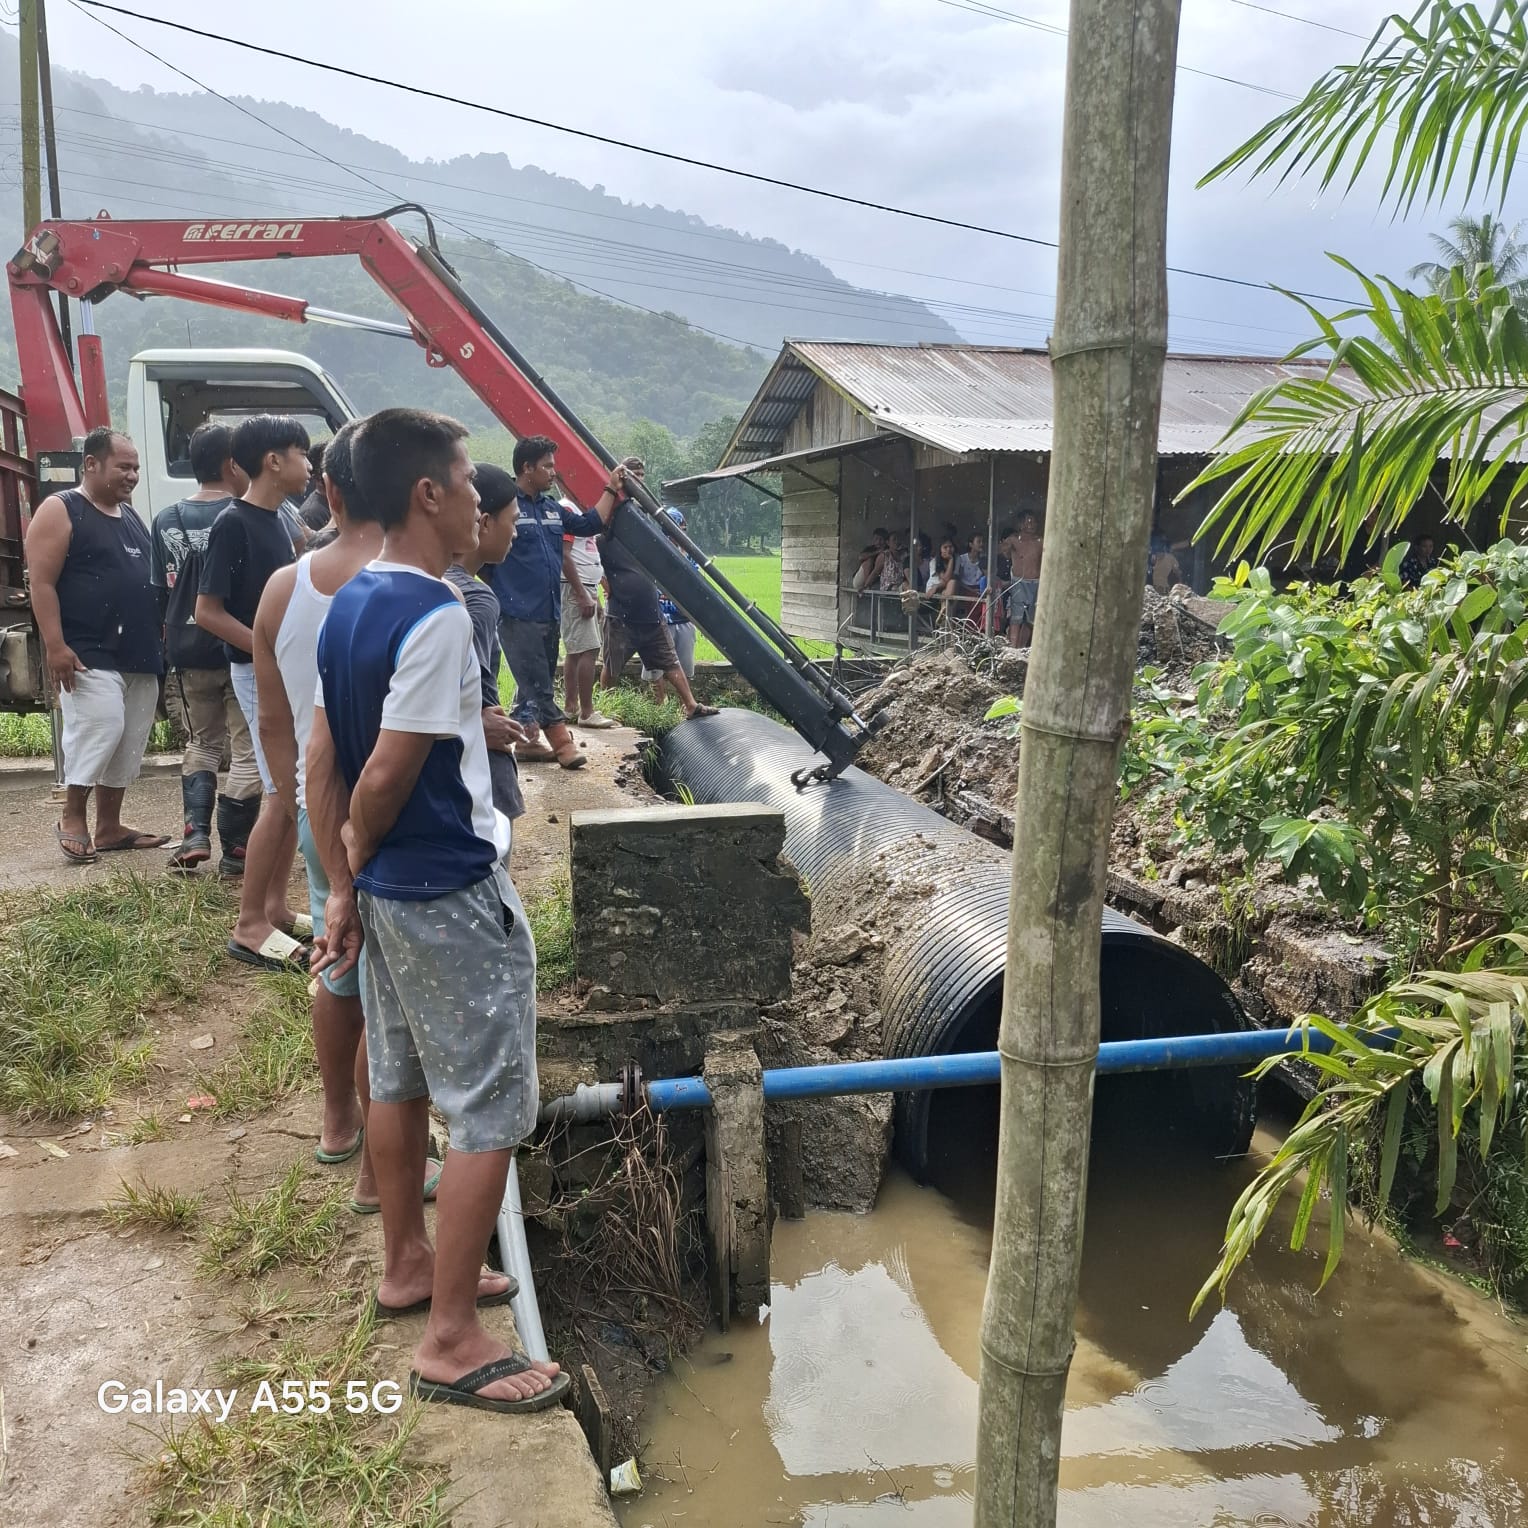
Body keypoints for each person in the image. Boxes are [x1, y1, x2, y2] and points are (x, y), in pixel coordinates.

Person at [308, 405, 568, 1416]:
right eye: (466, 484)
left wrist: (344, 883)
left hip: (385, 895)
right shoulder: (439, 613)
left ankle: (407, 1263)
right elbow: (381, 772)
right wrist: (360, 850)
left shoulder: (348, 600)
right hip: (451, 891)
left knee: (401, 1075)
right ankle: (452, 1338)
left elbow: (326, 757)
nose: (478, 502)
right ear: (427, 494)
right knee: (491, 1111)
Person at [250, 420, 396, 1206]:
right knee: (390, 980)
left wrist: (297, 796)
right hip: (391, 811)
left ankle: (338, 1121)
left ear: (330, 492)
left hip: (316, 803)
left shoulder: (286, 586)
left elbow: (274, 717)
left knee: (336, 964)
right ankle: (389, 1153)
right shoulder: (408, 581)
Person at [196, 413, 311, 970]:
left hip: (277, 671)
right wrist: (267, 652)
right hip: (255, 672)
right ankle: (249, 925)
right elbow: (207, 611)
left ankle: (275, 908)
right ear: (273, 461)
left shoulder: (278, 519)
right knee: (279, 791)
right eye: (301, 454)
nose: (309, 465)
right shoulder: (233, 523)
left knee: (291, 790)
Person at [25, 427, 169, 863]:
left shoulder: (131, 517)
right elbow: (42, 583)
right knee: (99, 727)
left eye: (136, 468)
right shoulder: (61, 509)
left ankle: (109, 827)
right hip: (88, 650)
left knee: (129, 738)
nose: (133, 475)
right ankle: (72, 816)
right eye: (124, 467)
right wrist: (55, 646)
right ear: (91, 464)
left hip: (139, 651)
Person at [152, 423, 264, 874]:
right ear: (232, 463)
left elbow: (161, 591)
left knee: (203, 742)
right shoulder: (249, 513)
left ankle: (194, 834)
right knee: (247, 749)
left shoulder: (165, 519)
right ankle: (236, 849)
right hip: (240, 646)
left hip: (188, 649)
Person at [486, 434, 625, 768]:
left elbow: (590, 523)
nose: (553, 472)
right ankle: (562, 743)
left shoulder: (552, 509)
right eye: (547, 466)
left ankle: (527, 741)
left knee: (538, 679)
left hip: (549, 611)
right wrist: (502, 590)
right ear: (526, 468)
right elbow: (481, 552)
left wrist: (610, 488)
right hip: (516, 613)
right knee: (539, 683)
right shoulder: (505, 507)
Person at [444, 465, 528, 849]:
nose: (516, 531)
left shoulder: (432, 578)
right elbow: (472, 694)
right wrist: (478, 727)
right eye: (513, 520)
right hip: (478, 764)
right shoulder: (475, 598)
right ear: (485, 522)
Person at [599, 500, 719, 720]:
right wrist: (605, 584)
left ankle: (690, 705)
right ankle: (604, 707)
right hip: (620, 615)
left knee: (670, 661)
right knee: (612, 665)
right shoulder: (606, 539)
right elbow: (589, 562)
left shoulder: (649, 540)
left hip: (651, 614)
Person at [560, 495, 613, 729]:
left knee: (576, 650)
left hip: (584, 587)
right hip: (575, 587)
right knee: (589, 649)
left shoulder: (582, 509)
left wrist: (592, 594)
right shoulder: (568, 509)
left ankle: (571, 707)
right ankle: (587, 712)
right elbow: (564, 554)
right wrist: (582, 593)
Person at [641, 506, 699, 704]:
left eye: (682, 529)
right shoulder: (654, 551)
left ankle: (685, 705)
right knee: (655, 668)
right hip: (659, 618)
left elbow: (695, 582)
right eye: (676, 529)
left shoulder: (689, 554)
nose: (680, 533)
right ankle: (659, 705)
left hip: (683, 618)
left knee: (685, 665)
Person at [1002, 512, 1043, 648]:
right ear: (1021, 524)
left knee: (1030, 620)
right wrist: (1007, 548)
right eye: (1028, 521)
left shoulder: (1040, 541)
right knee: (1016, 618)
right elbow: (1003, 552)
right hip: (1019, 582)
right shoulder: (1013, 540)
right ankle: (1013, 648)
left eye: (1033, 522)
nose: (1032, 525)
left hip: (1036, 583)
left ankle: (1021, 647)